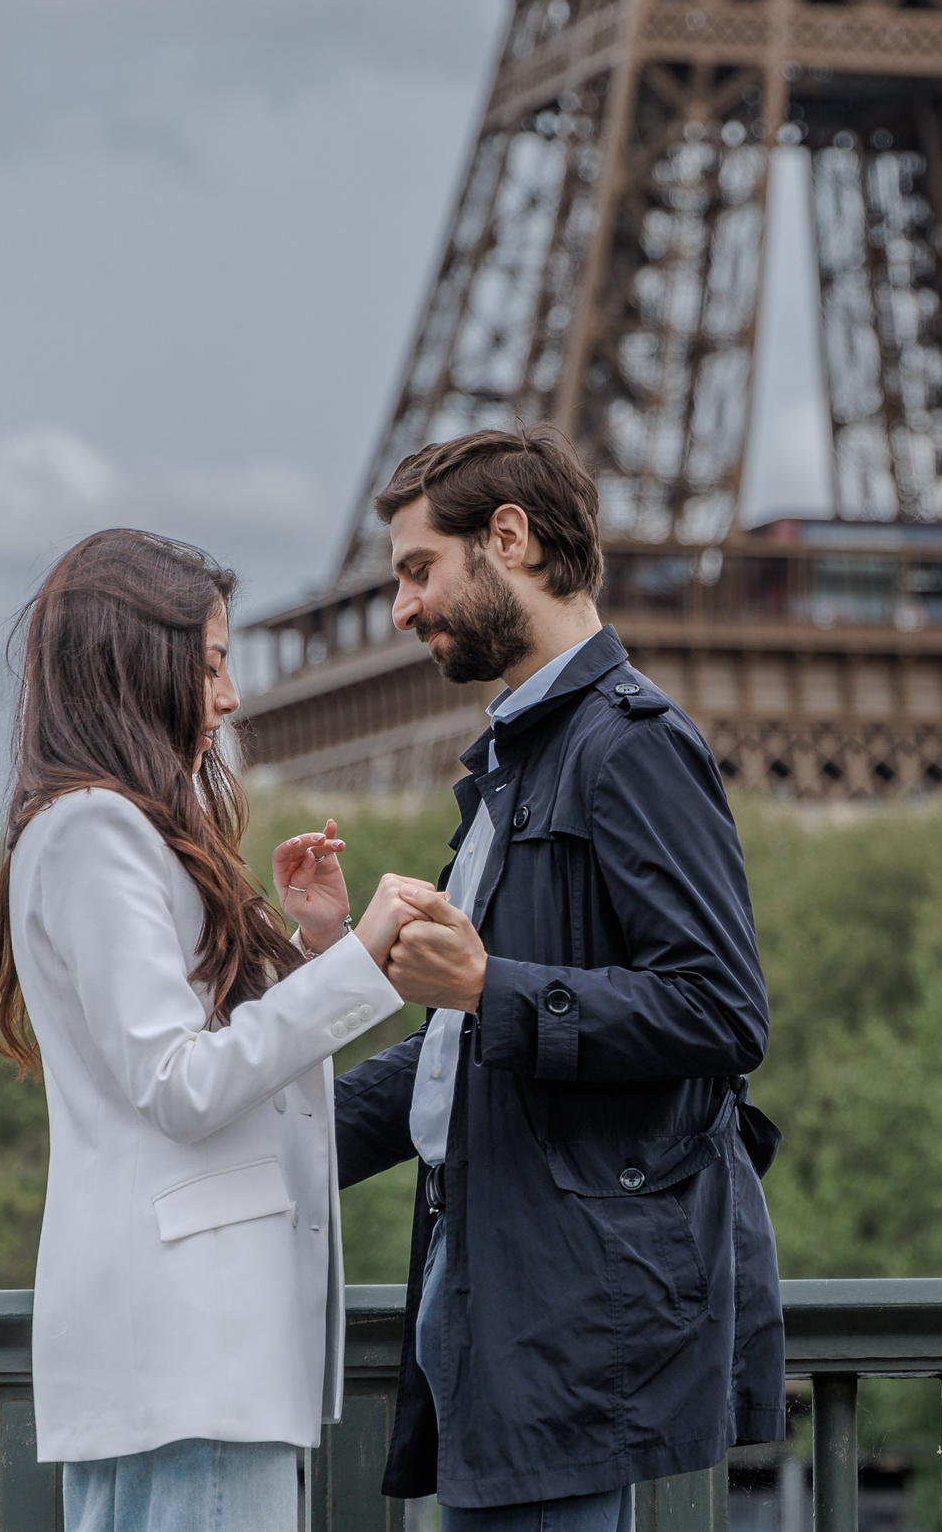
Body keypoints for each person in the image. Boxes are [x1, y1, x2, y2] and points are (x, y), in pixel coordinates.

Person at [335, 429, 786, 1526]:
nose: (401, 607)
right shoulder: (518, 760)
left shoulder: (627, 746)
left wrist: (493, 985)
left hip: (565, 1303)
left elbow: (721, 1009)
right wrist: (262, 1117)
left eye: (416, 569)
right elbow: (459, 1048)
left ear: (509, 538)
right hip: (504, 1280)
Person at [0, 527, 443, 1532]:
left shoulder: (101, 829)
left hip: (173, 1353)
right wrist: (359, 960)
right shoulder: (100, 832)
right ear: (142, 662)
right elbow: (182, 1085)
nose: (229, 699)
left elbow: (195, 1062)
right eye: (215, 664)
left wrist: (311, 951)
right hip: (195, 1345)